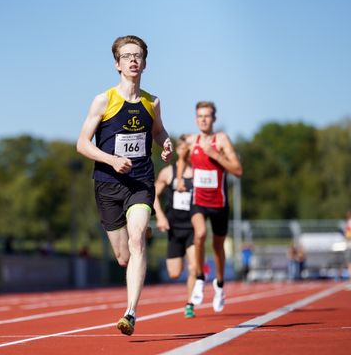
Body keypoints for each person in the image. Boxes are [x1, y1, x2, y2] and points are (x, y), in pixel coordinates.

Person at [77, 35, 173, 336]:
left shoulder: (152, 102)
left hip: (140, 181)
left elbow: (158, 132)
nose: (133, 60)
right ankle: (134, 251)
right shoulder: (103, 100)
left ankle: (130, 313)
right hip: (107, 184)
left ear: (144, 62)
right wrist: (110, 159)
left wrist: (166, 143)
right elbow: (81, 144)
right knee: (123, 256)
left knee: (137, 240)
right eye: (127, 55)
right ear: (117, 64)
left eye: (138, 55)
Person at [176, 101, 242, 313]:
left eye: (207, 116)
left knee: (218, 247)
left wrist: (215, 155)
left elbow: (238, 170)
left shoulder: (221, 140)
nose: (203, 119)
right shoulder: (190, 140)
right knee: (200, 234)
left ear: (214, 119)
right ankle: (200, 278)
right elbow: (181, 158)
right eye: (200, 116)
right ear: (196, 119)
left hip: (219, 203)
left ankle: (220, 284)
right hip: (199, 200)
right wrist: (178, 178)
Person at [154, 135, 197, 318]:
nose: (184, 151)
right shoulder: (168, 173)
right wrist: (161, 217)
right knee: (174, 273)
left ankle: (190, 304)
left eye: (188, 148)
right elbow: (152, 195)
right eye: (181, 148)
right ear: (177, 150)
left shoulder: (197, 173)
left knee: (194, 267)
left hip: (193, 226)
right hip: (174, 227)